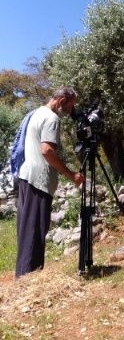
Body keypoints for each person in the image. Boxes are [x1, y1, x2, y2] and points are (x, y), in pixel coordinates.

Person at [15, 86, 85, 277]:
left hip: (26, 178)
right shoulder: (52, 118)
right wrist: (72, 175)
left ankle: (24, 278)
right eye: (71, 106)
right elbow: (46, 150)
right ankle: (28, 281)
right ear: (62, 101)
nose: (71, 111)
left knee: (27, 231)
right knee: (34, 233)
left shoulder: (36, 113)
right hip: (38, 182)